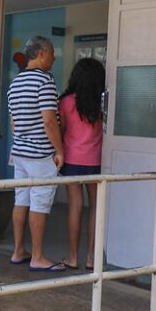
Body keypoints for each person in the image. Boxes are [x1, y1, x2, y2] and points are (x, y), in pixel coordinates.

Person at [7, 36, 65, 272]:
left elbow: (13, 123)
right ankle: (38, 256)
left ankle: (18, 250)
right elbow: (50, 121)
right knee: (39, 202)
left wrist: (23, 136)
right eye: (52, 53)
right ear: (41, 53)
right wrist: (59, 150)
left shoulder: (16, 83)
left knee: (21, 199)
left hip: (19, 151)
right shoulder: (45, 81)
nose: (54, 58)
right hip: (41, 153)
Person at [58, 58, 105, 271]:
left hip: (72, 160)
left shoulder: (66, 102)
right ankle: (91, 258)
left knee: (75, 207)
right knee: (96, 207)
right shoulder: (102, 102)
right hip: (95, 160)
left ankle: (73, 256)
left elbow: (62, 131)